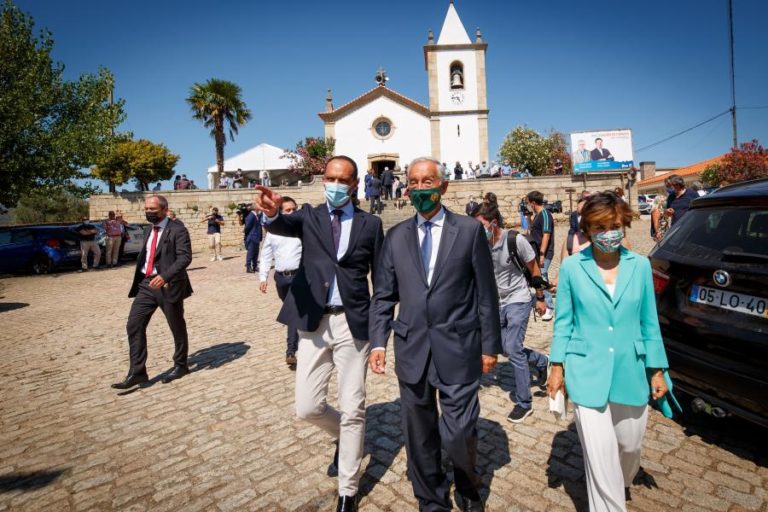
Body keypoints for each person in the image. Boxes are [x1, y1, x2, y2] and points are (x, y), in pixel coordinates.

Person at [369, 157, 501, 512]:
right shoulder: (395, 237)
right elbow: (384, 295)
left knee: (458, 431)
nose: (421, 187)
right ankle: (431, 498)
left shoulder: (469, 231)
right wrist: (378, 342)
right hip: (412, 350)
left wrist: (490, 347)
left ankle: (467, 484)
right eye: (414, 181)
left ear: (443, 186)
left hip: (459, 348)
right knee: (419, 434)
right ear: (407, 188)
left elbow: (486, 294)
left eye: (428, 181)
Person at [254, 155, 383, 512]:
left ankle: (347, 490)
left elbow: (381, 280)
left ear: (355, 184)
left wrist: (380, 329)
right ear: (322, 179)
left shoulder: (370, 225)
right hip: (313, 322)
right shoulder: (309, 216)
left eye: (343, 180)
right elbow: (280, 224)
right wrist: (270, 212)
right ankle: (344, 435)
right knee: (308, 407)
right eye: (330, 178)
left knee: (354, 406)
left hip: (353, 323)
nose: (336, 185)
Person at [547, 191, 669, 511]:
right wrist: (556, 367)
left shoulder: (640, 266)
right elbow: (563, 322)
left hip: (630, 369)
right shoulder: (573, 267)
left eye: (614, 225)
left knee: (629, 446)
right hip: (586, 370)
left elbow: (649, 322)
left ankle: (624, 480)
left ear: (624, 225)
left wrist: (657, 369)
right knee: (600, 458)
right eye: (600, 227)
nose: (608, 233)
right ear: (587, 229)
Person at [472, 202, 549, 423]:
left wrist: (540, 298)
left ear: (493, 223)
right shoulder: (481, 245)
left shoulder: (516, 240)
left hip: (519, 299)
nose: (477, 231)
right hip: (496, 303)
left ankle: (524, 402)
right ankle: (542, 361)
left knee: (513, 348)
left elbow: (534, 270)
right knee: (504, 347)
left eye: (481, 226)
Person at [111, 195, 194, 389]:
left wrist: (165, 276)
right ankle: (138, 372)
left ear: (165, 210)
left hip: (168, 285)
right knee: (134, 324)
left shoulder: (178, 230)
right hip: (147, 285)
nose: (148, 212)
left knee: (176, 326)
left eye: (153, 210)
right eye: (146, 209)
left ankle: (181, 365)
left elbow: (185, 258)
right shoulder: (149, 229)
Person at [259, 197, 303, 367]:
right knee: (293, 311)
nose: (292, 213)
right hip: (281, 278)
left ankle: (291, 350)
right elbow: (265, 255)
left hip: (299, 277)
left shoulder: (303, 229)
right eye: (288, 210)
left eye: (295, 209)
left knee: (293, 312)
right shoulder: (273, 232)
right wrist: (263, 277)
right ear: (281, 212)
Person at [527, 191, 555, 320]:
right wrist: (528, 217)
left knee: (542, 276)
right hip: (536, 252)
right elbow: (532, 230)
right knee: (540, 275)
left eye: (528, 202)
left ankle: (549, 306)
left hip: (544, 252)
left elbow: (546, 234)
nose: (527, 205)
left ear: (533, 202)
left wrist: (542, 254)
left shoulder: (545, 214)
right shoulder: (537, 215)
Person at [244, 207, 263, 273]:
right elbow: (247, 227)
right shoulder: (251, 216)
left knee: (256, 253)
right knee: (250, 253)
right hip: (251, 237)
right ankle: (248, 267)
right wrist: (248, 235)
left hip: (256, 237)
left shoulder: (256, 215)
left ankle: (255, 266)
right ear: (255, 208)